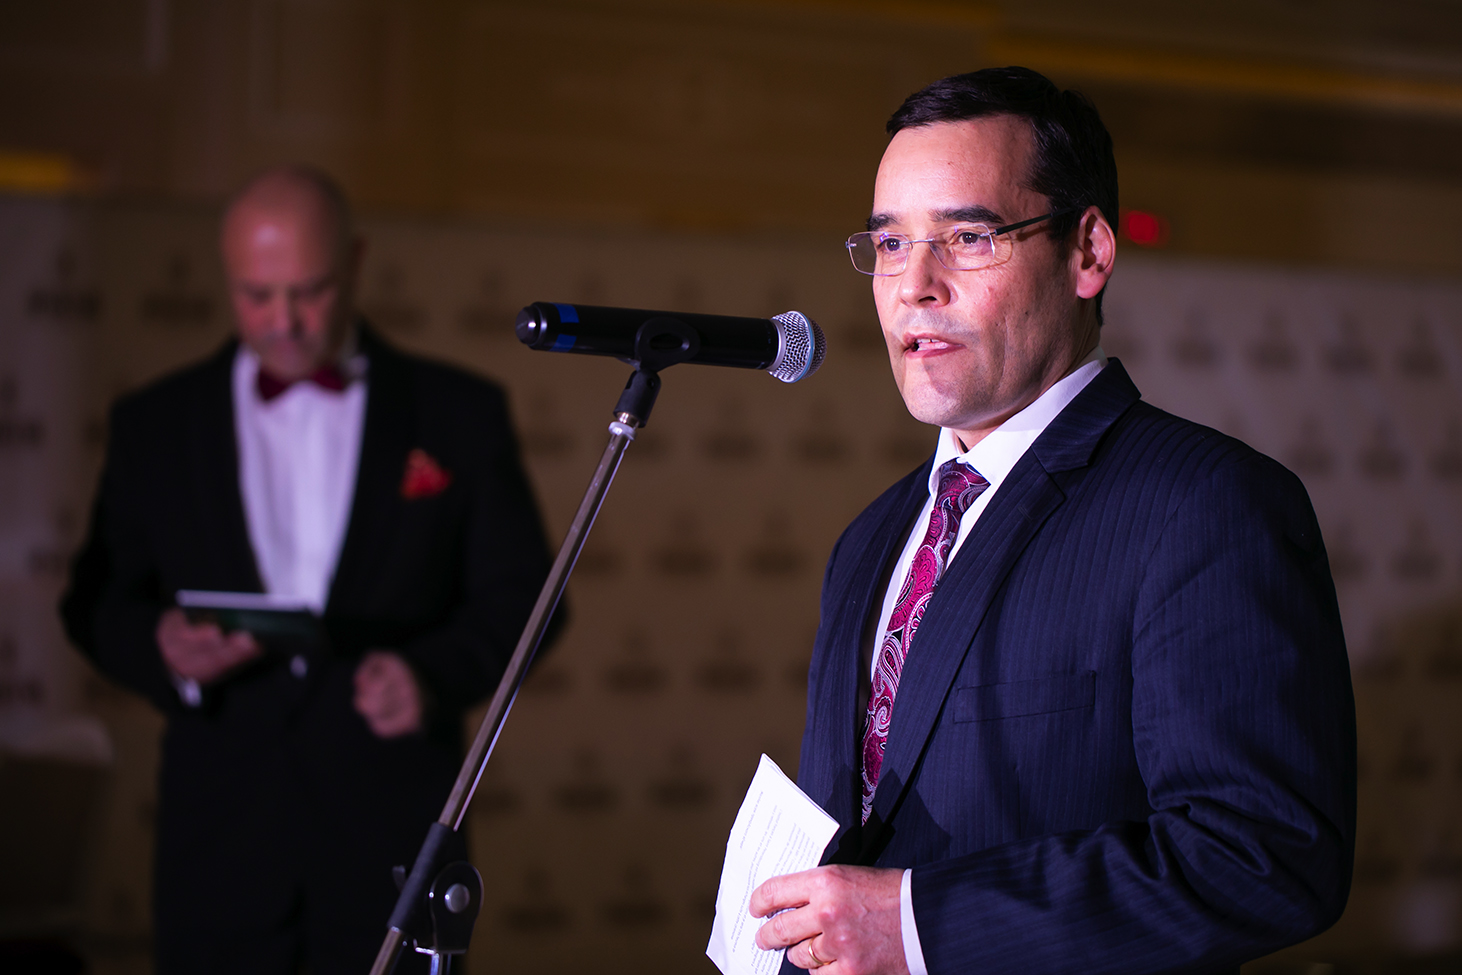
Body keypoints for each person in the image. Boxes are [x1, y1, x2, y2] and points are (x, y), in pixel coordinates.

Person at [749, 68, 1355, 975]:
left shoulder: (1206, 504)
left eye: (968, 237)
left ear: (1088, 253)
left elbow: (1264, 852)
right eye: (891, 243)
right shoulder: (870, 538)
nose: (915, 285)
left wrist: (917, 923)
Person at [61, 165, 556, 974]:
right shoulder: (155, 422)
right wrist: (162, 646)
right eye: (257, 294)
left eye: (311, 290)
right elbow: (94, 601)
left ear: (355, 263)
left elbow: (529, 598)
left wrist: (430, 675)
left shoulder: (458, 413)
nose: (284, 320)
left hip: (392, 850)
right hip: (216, 856)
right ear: (226, 277)